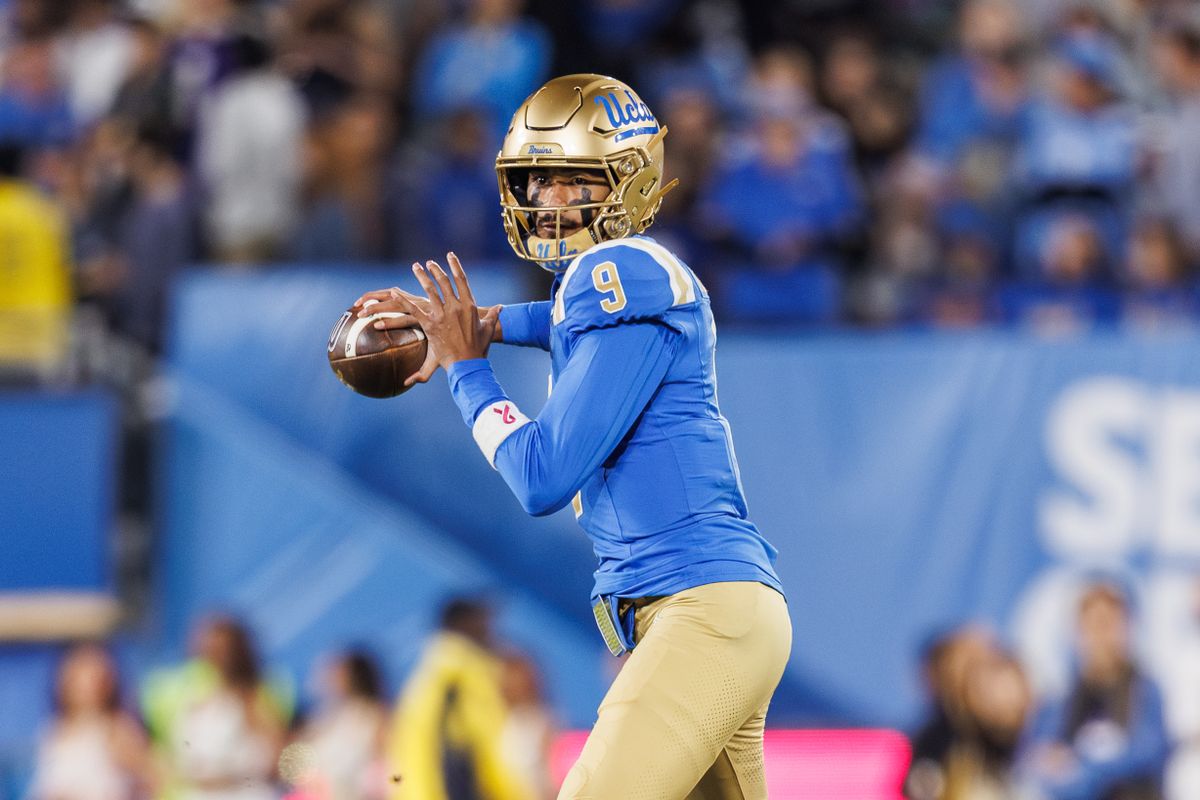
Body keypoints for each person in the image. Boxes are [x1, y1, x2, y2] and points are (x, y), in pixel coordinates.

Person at [356, 73, 790, 799]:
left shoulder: (614, 268)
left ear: (629, 179)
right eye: (536, 183)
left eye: (570, 181)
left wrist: (468, 370)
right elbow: (559, 322)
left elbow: (541, 477)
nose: (547, 202)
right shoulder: (611, 285)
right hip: (710, 611)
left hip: (699, 608)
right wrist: (478, 326)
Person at [1024, 581, 1170, 800]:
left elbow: (1150, 752)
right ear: (1076, 633)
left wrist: (1083, 766)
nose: (1101, 636)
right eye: (1093, 625)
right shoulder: (1059, 701)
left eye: (1109, 623)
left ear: (1127, 629)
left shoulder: (1146, 691)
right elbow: (1037, 760)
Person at [388, 598, 530, 800]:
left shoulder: (424, 682)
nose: (491, 632)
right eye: (483, 623)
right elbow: (489, 752)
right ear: (465, 624)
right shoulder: (465, 679)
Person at [30, 643, 153, 800]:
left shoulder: (116, 729)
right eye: (78, 676)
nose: (85, 685)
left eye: (92, 677)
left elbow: (150, 777)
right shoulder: (54, 729)